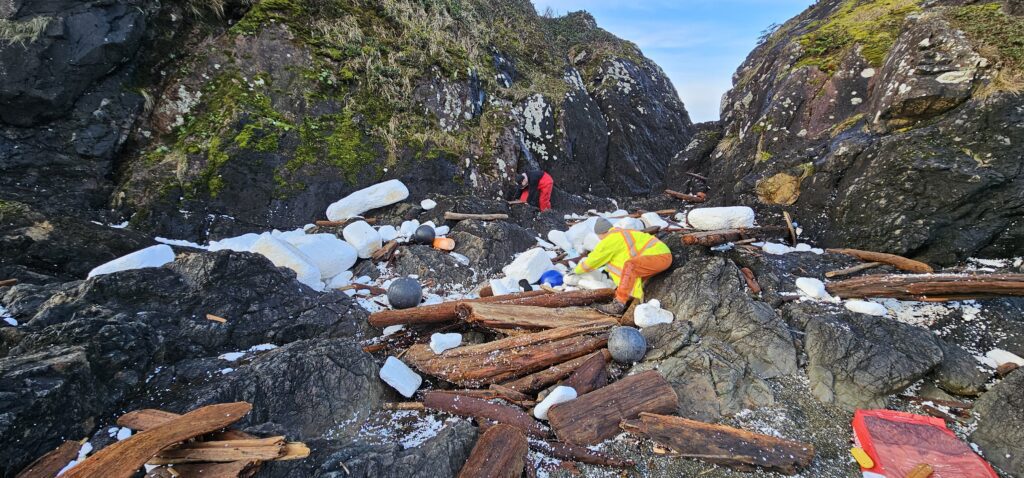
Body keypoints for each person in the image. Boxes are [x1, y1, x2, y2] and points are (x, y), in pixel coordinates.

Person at [573, 218, 672, 316]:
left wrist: (576, 271)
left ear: (600, 234)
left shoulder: (609, 240)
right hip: (661, 256)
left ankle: (618, 304)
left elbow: (592, 261)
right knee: (629, 267)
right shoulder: (622, 233)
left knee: (630, 266)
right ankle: (631, 298)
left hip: (659, 257)